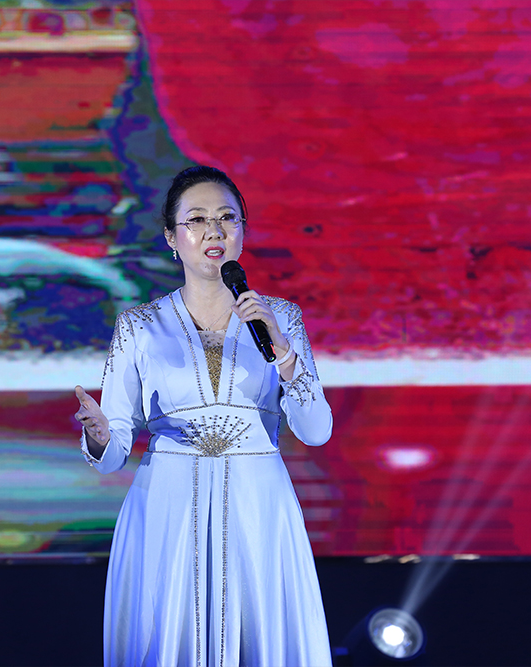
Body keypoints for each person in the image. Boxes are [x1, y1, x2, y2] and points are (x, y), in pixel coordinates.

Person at [74, 165, 333, 667]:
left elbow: (316, 431)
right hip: (167, 505)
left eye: (227, 218)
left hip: (259, 504)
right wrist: (102, 434)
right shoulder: (139, 326)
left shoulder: (281, 317)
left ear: (242, 231)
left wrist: (284, 353)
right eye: (196, 220)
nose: (214, 231)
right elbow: (115, 449)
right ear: (172, 238)